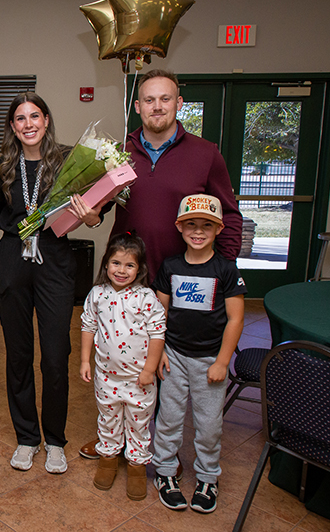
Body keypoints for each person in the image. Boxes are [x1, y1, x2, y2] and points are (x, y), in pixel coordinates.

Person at [79, 68, 243, 461]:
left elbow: (230, 213)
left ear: (178, 104)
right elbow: (100, 207)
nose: (157, 106)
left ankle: (150, 443)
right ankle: (114, 439)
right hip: (128, 274)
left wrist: (224, 267)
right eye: (149, 100)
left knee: (164, 359)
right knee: (121, 354)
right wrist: (91, 217)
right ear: (137, 107)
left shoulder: (206, 153)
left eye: (165, 99)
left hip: (180, 277)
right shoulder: (117, 152)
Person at [0, 92, 103, 474]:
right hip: (12, 263)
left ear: (46, 119)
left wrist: (92, 217)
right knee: (18, 357)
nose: (28, 124)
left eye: (34, 116)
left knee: (56, 358)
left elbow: (94, 213)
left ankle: (55, 440)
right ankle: (27, 437)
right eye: (19, 118)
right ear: (12, 126)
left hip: (54, 262)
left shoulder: (70, 160)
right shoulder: (2, 166)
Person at [151, 194, 247, 514]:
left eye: (207, 225)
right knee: (169, 419)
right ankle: (164, 472)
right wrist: (161, 348)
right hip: (174, 356)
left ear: (218, 229)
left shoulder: (226, 270)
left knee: (208, 425)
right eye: (191, 224)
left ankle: (208, 477)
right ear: (180, 227)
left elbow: (236, 318)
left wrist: (222, 361)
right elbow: (159, 313)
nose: (198, 231)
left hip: (209, 361)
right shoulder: (171, 266)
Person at [80, 233, 166, 501]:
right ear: (106, 264)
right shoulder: (97, 294)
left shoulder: (146, 298)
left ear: (139, 269)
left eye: (129, 265)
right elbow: (88, 326)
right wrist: (85, 360)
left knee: (139, 424)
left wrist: (149, 370)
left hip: (139, 379)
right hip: (106, 377)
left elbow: (157, 334)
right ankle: (108, 459)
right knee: (108, 419)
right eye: (116, 263)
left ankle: (137, 466)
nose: (121, 270)